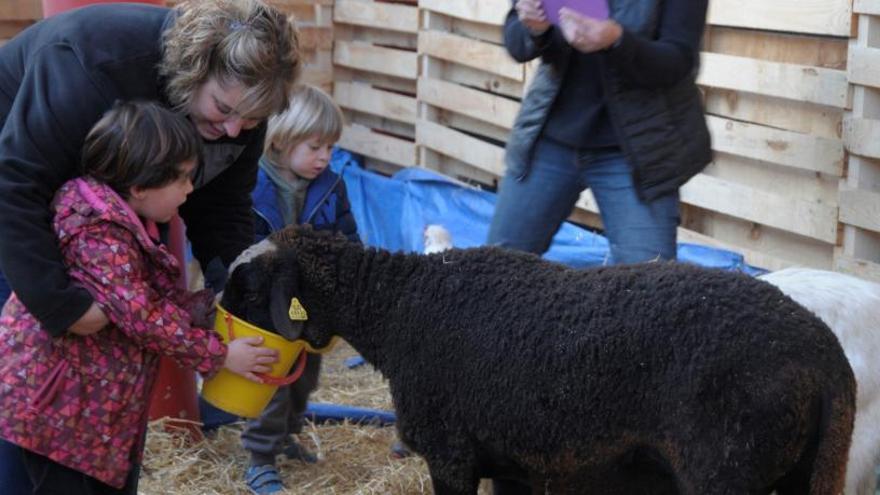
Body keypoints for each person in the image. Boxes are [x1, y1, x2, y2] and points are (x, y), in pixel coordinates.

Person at [0, 1, 299, 491]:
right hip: (17, 181)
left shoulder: (241, 108)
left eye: (249, 120)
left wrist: (239, 291)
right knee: (34, 373)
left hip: (104, 207)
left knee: (109, 375)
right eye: (223, 110)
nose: (232, 131)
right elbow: (14, 185)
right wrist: (61, 303)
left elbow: (222, 208)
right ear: (194, 72)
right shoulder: (89, 64)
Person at [487, 0, 712, 266]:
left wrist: (617, 41)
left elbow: (679, 60)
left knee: (649, 288)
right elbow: (516, 39)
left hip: (637, 153)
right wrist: (534, 30)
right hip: (551, 137)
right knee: (495, 269)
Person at [238, 84, 358, 495]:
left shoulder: (330, 186)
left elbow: (347, 239)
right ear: (283, 138)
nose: (325, 157)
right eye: (316, 146)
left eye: (330, 147)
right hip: (265, 302)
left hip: (308, 304)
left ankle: (287, 434)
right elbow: (240, 246)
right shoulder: (251, 184)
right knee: (274, 377)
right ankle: (259, 459)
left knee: (305, 375)